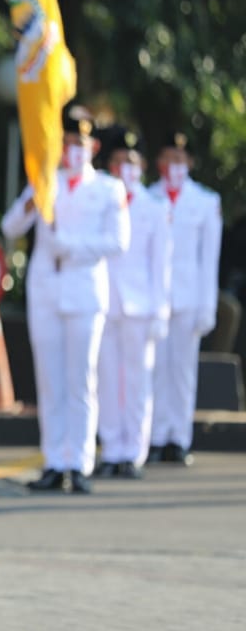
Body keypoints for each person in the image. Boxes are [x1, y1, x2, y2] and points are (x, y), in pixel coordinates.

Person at [1, 111, 129, 494]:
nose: (72, 150)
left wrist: (71, 248)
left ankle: (80, 462)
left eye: (79, 144)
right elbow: (10, 227)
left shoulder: (108, 188)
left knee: (81, 380)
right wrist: (32, 196)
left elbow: (118, 242)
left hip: (85, 291)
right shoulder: (45, 182)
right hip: (46, 291)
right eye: (66, 143)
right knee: (50, 381)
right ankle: (55, 460)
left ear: (93, 148)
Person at [95, 128, 171, 479]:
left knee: (138, 381)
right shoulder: (102, 199)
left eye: (131, 161)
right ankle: (111, 448)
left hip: (141, 305)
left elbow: (161, 263)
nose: (125, 167)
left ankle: (133, 452)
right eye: (118, 161)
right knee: (108, 379)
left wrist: (161, 310)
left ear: (141, 167)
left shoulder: (154, 207)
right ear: (109, 165)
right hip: (105, 301)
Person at [147, 131, 222, 466]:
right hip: (154, 298)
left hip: (189, 297)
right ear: (159, 163)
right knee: (154, 368)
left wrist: (208, 305)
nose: (173, 166)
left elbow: (209, 260)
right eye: (168, 159)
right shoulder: (149, 198)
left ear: (190, 163)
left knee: (181, 370)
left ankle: (178, 437)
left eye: (180, 160)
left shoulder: (206, 202)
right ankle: (155, 435)